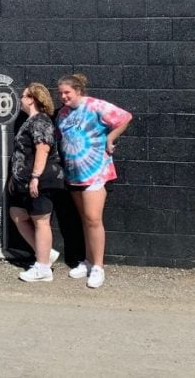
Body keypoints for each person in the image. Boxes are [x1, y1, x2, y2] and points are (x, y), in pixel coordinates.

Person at [56, 73, 131, 289]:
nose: (63, 96)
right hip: (74, 173)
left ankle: (98, 267)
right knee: (84, 220)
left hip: (96, 171)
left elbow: (124, 117)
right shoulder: (62, 114)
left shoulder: (95, 105)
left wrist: (110, 138)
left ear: (78, 90)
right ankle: (88, 261)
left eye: (67, 92)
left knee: (93, 219)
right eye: (60, 93)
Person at [8, 82, 65, 283]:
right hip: (27, 182)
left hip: (42, 180)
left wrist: (35, 177)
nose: (21, 100)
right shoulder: (31, 121)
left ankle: (43, 269)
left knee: (41, 221)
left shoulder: (40, 120)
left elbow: (43, 149)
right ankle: (45, 254)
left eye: (23, 96)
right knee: (17, 214)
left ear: (32, 98)